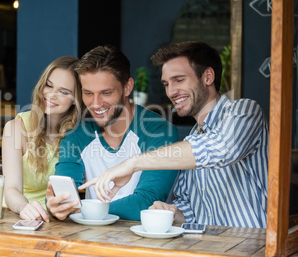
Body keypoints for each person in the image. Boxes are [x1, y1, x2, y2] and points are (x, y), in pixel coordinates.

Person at [81, 41, 269, 228]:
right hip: (210, 248)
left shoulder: (244, 111)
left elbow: (220, 149)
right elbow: (190, 206)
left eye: (179, 80)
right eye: (166, 84)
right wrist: (173, 213)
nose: (171, 92)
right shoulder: (192, 139)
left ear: (208, 77)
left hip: (252, 247)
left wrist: (131, 164)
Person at [46, 45, 179, 221]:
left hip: (148, 240)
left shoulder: (159, 131)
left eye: (106, 93)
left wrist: (85, 211)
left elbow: (146, 203)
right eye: (88, 93)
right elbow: (65, 191)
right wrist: (57, 206)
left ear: (127, 87)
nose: (95, 103)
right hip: (93, 239)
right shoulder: (77, 135)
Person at [2, 56, 82, 222]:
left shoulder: (78, 135)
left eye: (63, 92)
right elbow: (11, 189)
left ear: (76, 100)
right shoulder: (16, 128)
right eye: (49, 85)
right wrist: (24, 207)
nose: (51, 95)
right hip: (17, 217)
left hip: (59, 222)